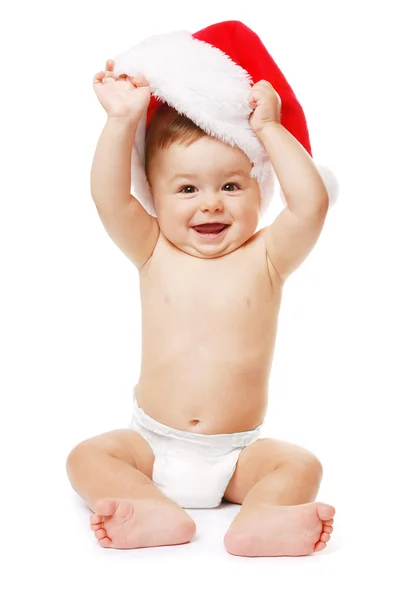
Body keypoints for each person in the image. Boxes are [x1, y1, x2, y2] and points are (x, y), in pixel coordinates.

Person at [66, 27, 336, 557]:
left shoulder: (266, 258)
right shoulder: (151, 248)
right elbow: (107, 196)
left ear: (260, 186)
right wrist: (121, 120)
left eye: (231, 186)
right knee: (86, 456)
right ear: (154, 195)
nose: (210, 204)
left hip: (236, 456)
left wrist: (270, 129)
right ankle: (151, 509)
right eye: (187, 188)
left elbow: (312, 206)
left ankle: (260, 520)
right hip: (150, 443)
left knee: (301, 465)